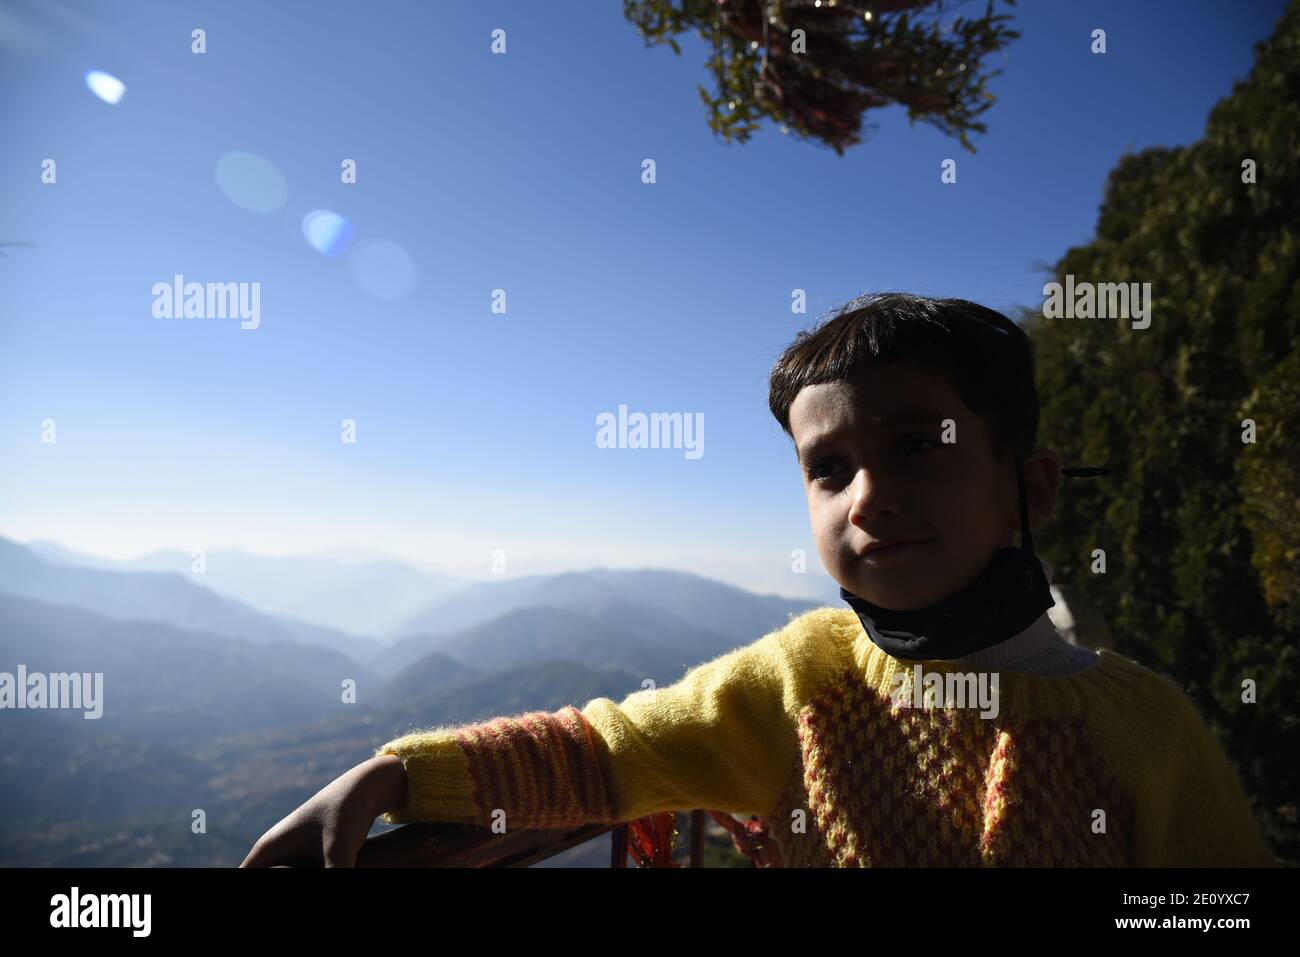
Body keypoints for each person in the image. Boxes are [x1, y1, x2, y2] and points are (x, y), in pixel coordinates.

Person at [241, 291, 1275, 868]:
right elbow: (605, 750)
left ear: (1032, 486)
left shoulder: (1143, 729)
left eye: (917, 446)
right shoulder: (794, 683)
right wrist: (398, 776)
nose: (864, 496)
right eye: (827, 469)